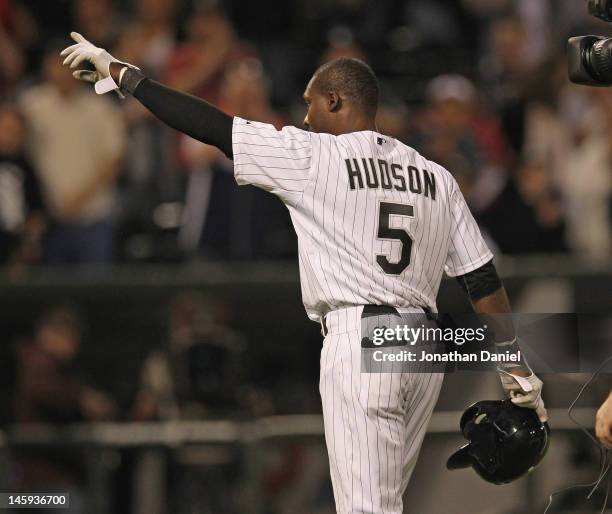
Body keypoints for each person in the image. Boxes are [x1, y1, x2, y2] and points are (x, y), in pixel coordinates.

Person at [60, 33, 548, 514]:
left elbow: (210, 125)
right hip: (424, 346)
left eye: (311, 104)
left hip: (363, 335)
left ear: (335, 100)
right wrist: (517, 374)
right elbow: (482, 281)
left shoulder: (313, 156)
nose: (305, 116)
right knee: (384, 505)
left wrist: (121, 73)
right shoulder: (436, 176)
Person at [20, 42, 126, 266]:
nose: (62, 72)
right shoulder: (31, 106)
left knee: (95, 292)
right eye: (56, 65)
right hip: (48, 219)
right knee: (49, 296)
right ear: (45, 69)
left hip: (95, 216)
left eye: (68, 65)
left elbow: (115, 160)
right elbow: (21, 156)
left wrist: (79, 198)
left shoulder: (101, 107)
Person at [0, 103, 46, 273]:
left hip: (16, 243)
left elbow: (37, 209)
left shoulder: (26, 167)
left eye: (15, 132)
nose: (9, 137)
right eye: (5, 130)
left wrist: (29, 243)